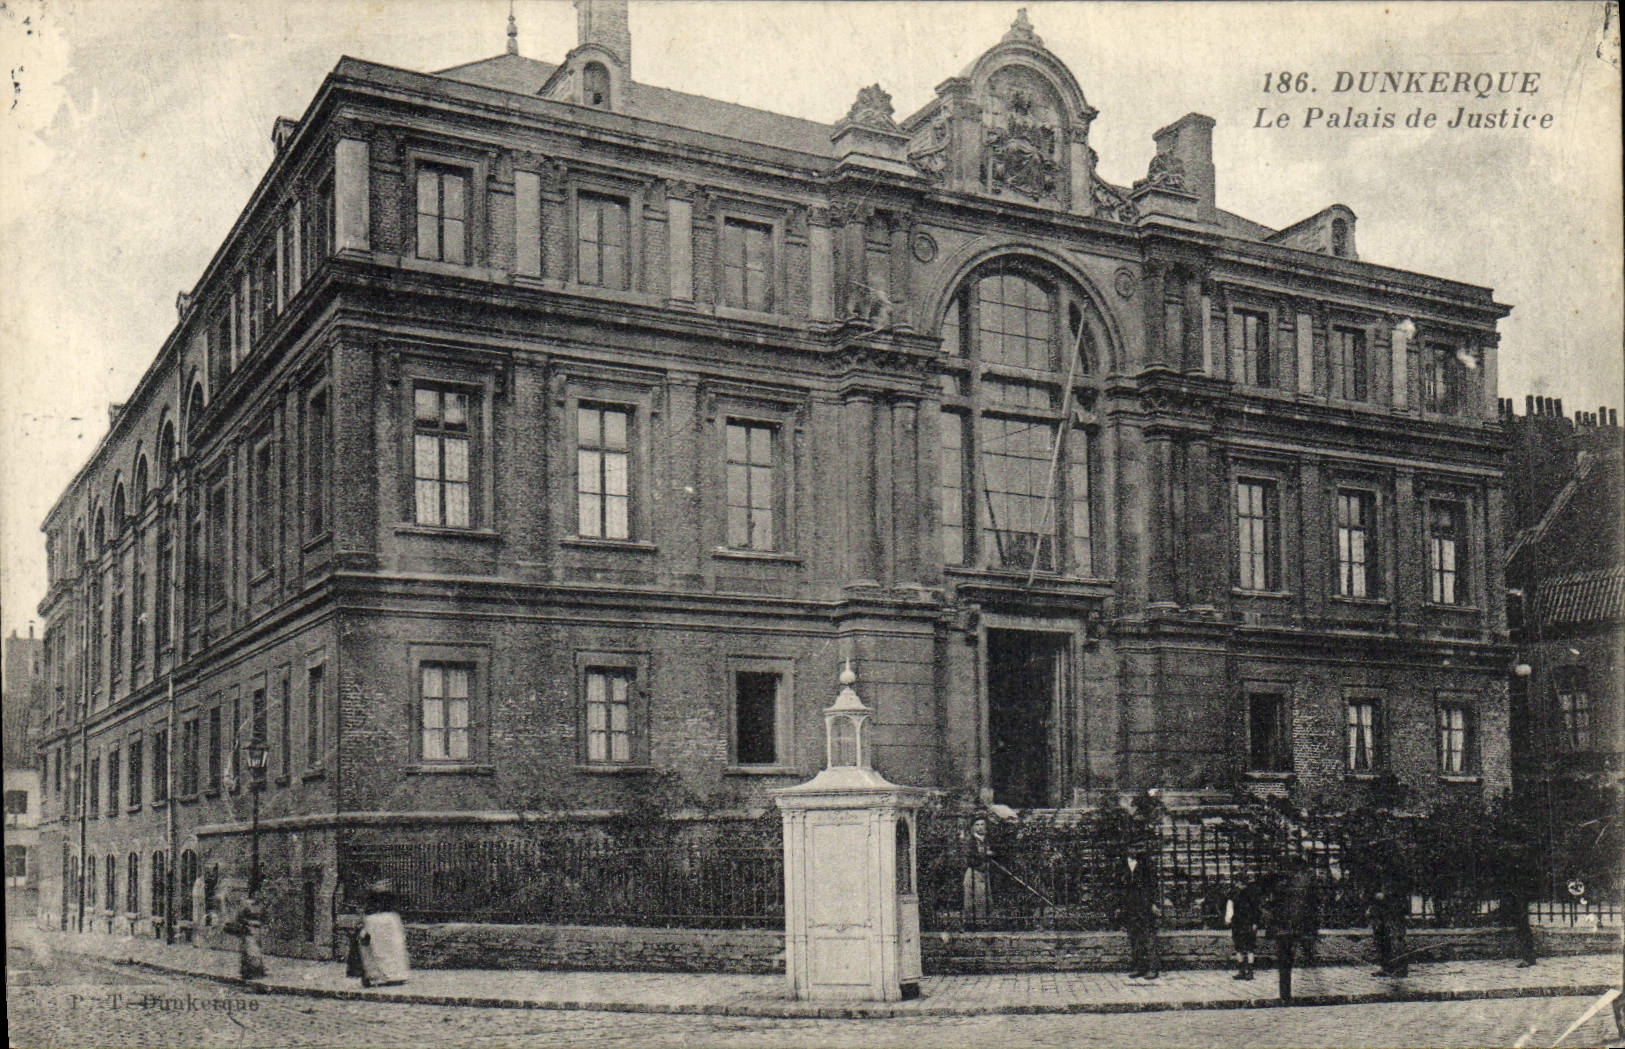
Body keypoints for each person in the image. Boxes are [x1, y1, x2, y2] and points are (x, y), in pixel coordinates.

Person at [1270, 855, 1320, 1002]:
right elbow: (1314, 905)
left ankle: (1285, 994)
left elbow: (1274, 905)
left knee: (1285, 962)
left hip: (1285, 927)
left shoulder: (1281, 883)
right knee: (1305, 959)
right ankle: (1292, 993)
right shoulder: (1307, 881)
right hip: (1301, 926)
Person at [1118, 840, 1161, 980]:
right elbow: (1118, 887)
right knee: (1134, 937)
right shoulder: (1121, 865)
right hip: (1130, 906)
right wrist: (1119, 906)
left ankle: (1152, 968)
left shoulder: (1146, 864)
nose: (1134, 851)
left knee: (1149, 936)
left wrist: (1154, 903)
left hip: (1145, 905)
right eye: (1131, 847)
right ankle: (1138, 967)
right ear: (1126, 849)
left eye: (1137, 847)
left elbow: (1153, 885)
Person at [356, 879, 411, 988]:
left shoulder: (372, 917)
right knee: (390, 950)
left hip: (377, 924)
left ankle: (380, 976)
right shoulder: (392, 916)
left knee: (378, 951)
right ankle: (394, 975)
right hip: (385, 924)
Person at [1368, 868, 1411, 978]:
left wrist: (1385, 895)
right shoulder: (1378, 871)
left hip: (1394, 910)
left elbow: (1401, 890)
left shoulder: (1396, 870)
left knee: (1396, 939)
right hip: (1381, 910)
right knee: (1382, 939)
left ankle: (1400, 968)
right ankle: (1386, 967)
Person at [1225, 877, 1262, 980]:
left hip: (1246, 923)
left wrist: (1255, 922)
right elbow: (1230, 908)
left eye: (1240, 883)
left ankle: (1249, 971)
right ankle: (1243, 971)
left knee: (1248, 947)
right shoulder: (1234, 894)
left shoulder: (1250, 895)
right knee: (1241, 947)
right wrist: (1228, 919)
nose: (1238, 885)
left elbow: (1256, 909)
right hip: (1239, 923)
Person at [962, 816, 993, 928]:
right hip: (975, 871)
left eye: (982, 824)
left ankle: (984, 921)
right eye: (977, 825)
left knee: (984, 897)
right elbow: (969, 858)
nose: (980, 827)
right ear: (973, 827)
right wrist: (985, 855)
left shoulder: (986, 841)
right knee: (974, 897)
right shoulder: (970, 841)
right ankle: (972, 923)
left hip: (985, 872)